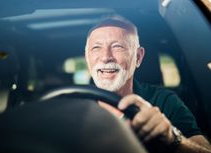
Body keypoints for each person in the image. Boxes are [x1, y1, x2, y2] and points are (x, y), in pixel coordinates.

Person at [84, 16, 211, 152]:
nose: (105, 57)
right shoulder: (71, 104)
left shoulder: (163, 100)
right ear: (87, 57)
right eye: (96, 48)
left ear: (138, 57)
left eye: (117, 47)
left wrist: (173, 138)